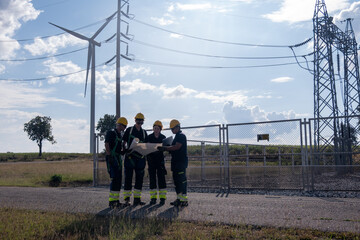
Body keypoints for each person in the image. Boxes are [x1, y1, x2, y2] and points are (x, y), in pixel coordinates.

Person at [158, 119, 188, 207]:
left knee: (181, 181)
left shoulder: (181, 136)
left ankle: (184, 200)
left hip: (180, 162)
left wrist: (165, 148)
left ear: (178, 127)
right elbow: (174, 148)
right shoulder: (177, 136)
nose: (172, 130)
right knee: (177, 181)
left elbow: (177, 147)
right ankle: (179, 199)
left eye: (173, 129)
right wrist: (168, 147)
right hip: (176, 162)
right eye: (171, 129)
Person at [122, 113, 148, 206]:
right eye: (138, 120)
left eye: (141, 120)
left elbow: (146, 145)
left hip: (140, 159)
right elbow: (124, 142)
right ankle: (127, 200)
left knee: (139, 180)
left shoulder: (144, 132)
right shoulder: (129, 130)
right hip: (130, 158)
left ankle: (137, 199)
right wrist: (125, 150)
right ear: (135, 120)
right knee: (128, 179)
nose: (140, 122)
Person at [104, 117, 127, 209]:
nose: (125, 128)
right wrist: (109, 156)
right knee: (114, 179)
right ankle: (112, 202)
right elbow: (106, 144)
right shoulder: (111, 133)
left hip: (117, 158)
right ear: (120, 125)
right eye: (124, 126)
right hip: (112, 158)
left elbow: (119, 149)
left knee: (118, 180)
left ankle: (116, 201)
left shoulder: (120, 135)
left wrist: (123, 150)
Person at [147, 120, 167, 205]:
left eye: (158, 128)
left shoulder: (163, 137)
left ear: (160, 129)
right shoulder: (149, 137)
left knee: (161, 179)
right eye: (155, 128)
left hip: (160, 161)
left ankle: (162, 198)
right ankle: (153, 198)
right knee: (152, 180)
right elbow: (146, 147)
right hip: (151, 161)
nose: (156, 130)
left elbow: (166, 147)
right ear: (153, 129)